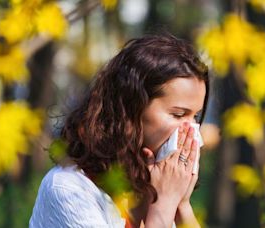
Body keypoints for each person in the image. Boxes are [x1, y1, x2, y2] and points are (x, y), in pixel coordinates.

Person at [29, 34, 209, 227]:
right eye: (179, 115)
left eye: (196, 117)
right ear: (132, 108)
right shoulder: (69, 189)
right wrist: (163, 206)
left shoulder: (154, 186)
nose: (193, 134)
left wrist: (181, 205)